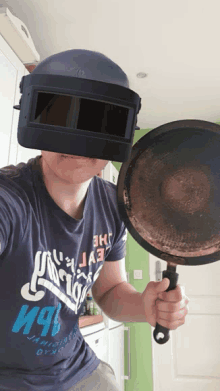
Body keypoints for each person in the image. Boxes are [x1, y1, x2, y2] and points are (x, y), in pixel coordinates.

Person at [0, 49, 189, 391]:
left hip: (80, 370)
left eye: (97, 123)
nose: (76, 139)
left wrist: (145, 306)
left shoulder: (114, 206)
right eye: (61, 115)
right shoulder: (10, 199)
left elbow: (112, 291)